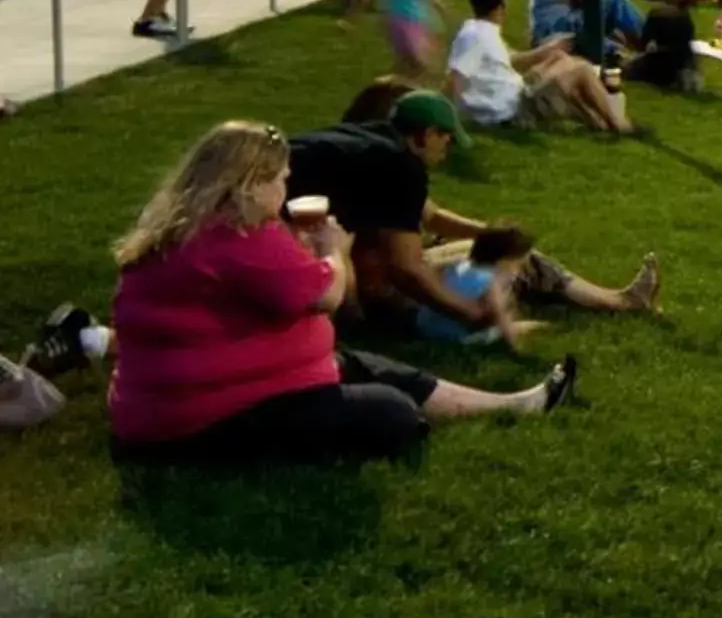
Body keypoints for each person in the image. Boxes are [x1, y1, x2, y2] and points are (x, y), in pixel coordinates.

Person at [106, 121, 578, 463]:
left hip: (164, 406)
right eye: (279, 178)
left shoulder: (186, 226)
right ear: (248, 186)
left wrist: (309, 252)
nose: (287, 185)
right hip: (199, 419)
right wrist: (335, 252)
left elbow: (273, 289)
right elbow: (327, 297)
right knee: (394, 416)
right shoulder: (240, 239)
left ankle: (517, 404)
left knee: (368, 367)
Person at [286, 93, 660, 336]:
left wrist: (488, 235)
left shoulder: (373, 142)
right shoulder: (400, 165)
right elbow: (407, 269)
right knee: (501, 271)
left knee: (497, 256)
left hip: (294, 265)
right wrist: (465, 311)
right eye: (445, 137)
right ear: (425, 134)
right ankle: (616, 303)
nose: (447, 147)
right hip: (328, 282)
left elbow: (429, 217)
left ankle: (616, 300)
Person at [446, 0, 631, 132]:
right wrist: (447, 121)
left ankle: (598, 121)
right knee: (581, 68)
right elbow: (455, 77)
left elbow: (512, 59)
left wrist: (549, 50)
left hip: (514, 94)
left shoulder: (480, 30)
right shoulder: (474, 37)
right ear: (501, 6)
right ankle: (619, 124)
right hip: (512, 109)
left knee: (559, 59)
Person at [412, 226, 551, 349]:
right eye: (519, 266)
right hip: (454, 338)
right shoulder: (491, 282)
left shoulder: (459, 265)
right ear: (504, 262)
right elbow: (500, 315)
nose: (519, 272)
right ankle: (545, 327)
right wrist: (514, 343)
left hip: (423, 326)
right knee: (523, 326)